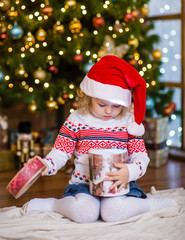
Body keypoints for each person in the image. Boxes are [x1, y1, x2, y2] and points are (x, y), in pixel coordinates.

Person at [24, 55, 177, 223]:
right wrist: (46, 164)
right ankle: (54, 205)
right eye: (102, 105)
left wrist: (130, 172)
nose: (109, 111)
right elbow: (61, 151)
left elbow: (140, 156)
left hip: (118, 184)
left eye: (116, 106)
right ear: (89, 96)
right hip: (84, 185)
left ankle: (150, 204)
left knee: (113, 213)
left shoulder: (128, 122)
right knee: (85, 214)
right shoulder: (77, 119)